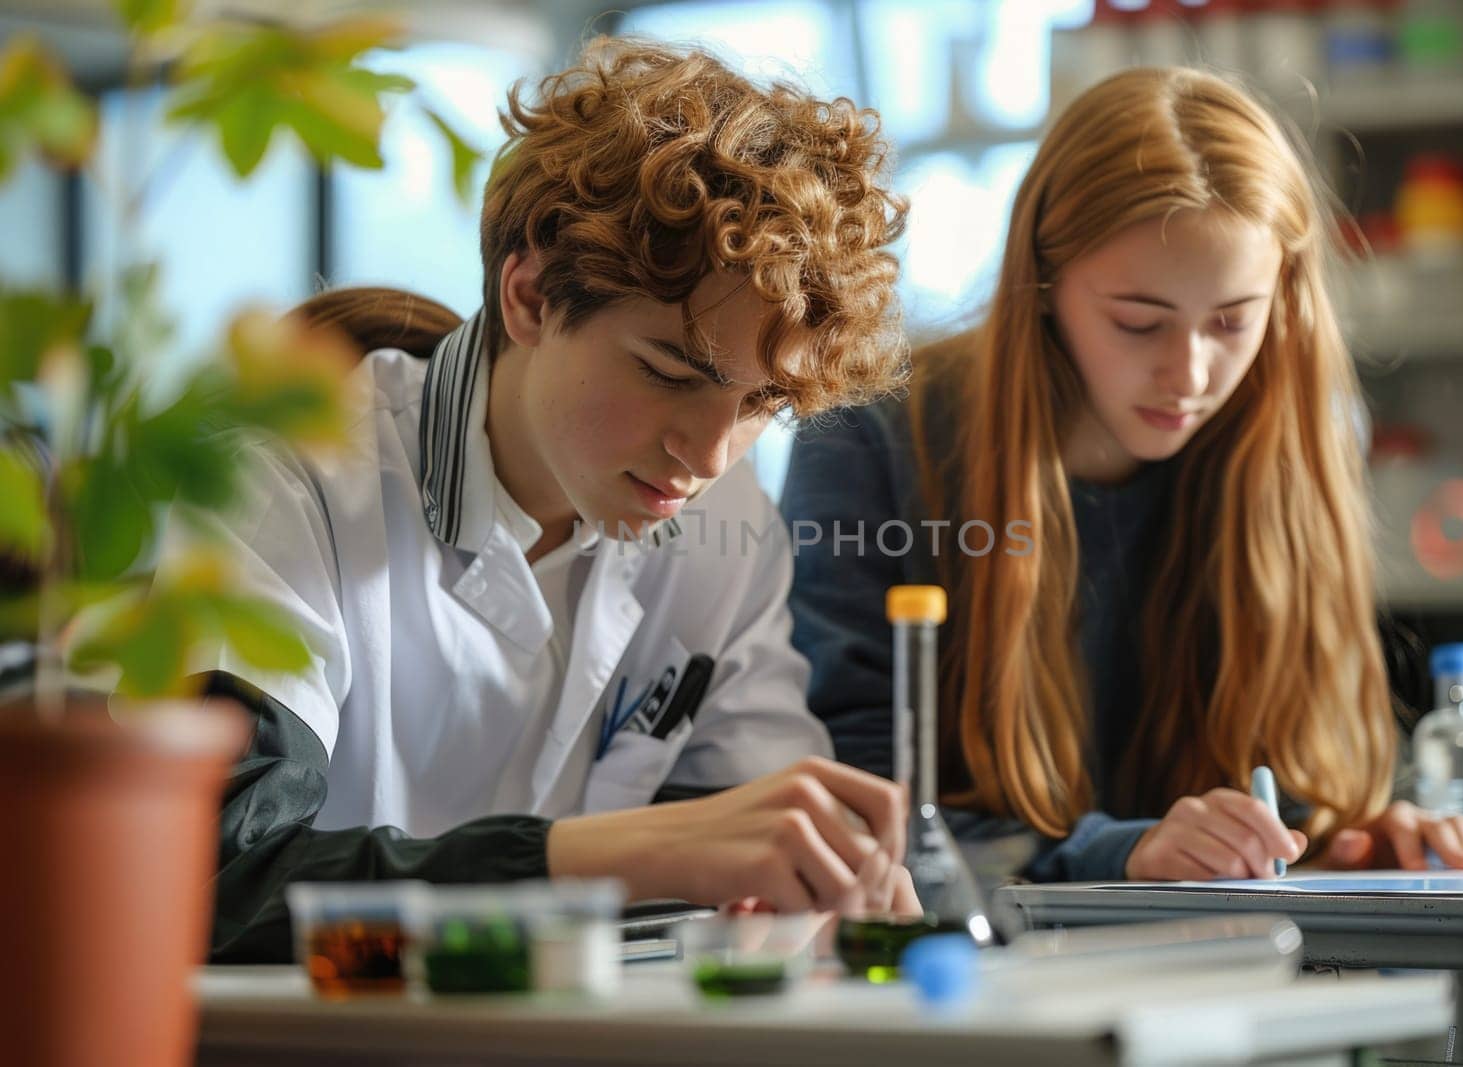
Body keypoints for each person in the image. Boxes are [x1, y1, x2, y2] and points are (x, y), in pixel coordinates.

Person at [180, 37, 916, 963]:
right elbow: (215, 882)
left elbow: (748, 849)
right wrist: (618, 856)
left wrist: (815, 881)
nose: (710, 453)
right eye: (669, 371)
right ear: (529, 295)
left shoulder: (727, 531)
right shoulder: (287, 480)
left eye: (761, 404)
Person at [782, 67, 1463, 886]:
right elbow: (855, 806)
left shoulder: (1285, 441)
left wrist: (1347, 833)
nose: (1188, 373)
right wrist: (1119, 852)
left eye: (1233, 321)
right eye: (1139, 322)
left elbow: (1299, 777)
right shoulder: (869, 438)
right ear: (1043, 285)